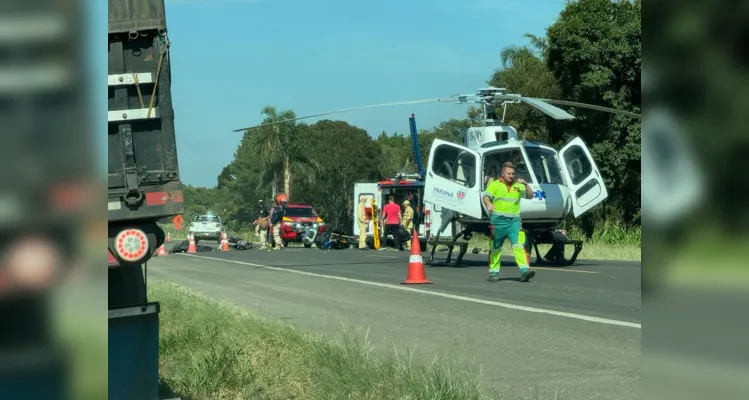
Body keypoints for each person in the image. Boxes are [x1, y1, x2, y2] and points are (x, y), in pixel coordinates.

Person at [482, 161, 536, 282]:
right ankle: (493, 273)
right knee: (495, 248)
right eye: (508, 173)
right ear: (502, 173)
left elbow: (530, 196)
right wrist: (489, 204)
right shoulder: (495, 185)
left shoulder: (518, 186)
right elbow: (486, 197)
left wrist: (526, 185)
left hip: (514, 222)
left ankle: (524, 271)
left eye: (512, 173)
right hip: (498, 223)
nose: (511, 176)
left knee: (518, 246)